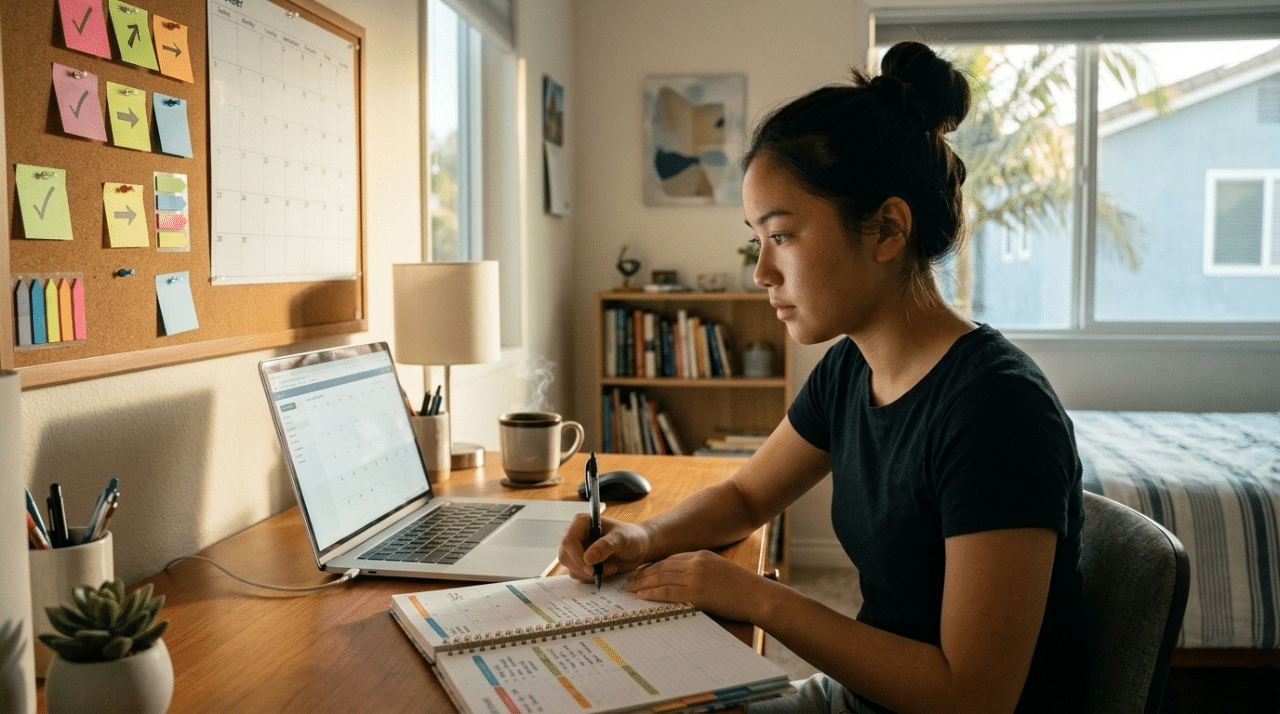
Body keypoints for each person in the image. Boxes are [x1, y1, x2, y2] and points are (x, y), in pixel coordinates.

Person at [560, 40, 1085, 714]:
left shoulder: (997, 412)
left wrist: (753, 595)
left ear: (888, 230)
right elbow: (749, 496)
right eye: (757, 239)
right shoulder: (852, 368)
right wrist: (640, 538)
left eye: (781, 236)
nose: (761, 272)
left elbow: (972, 697)